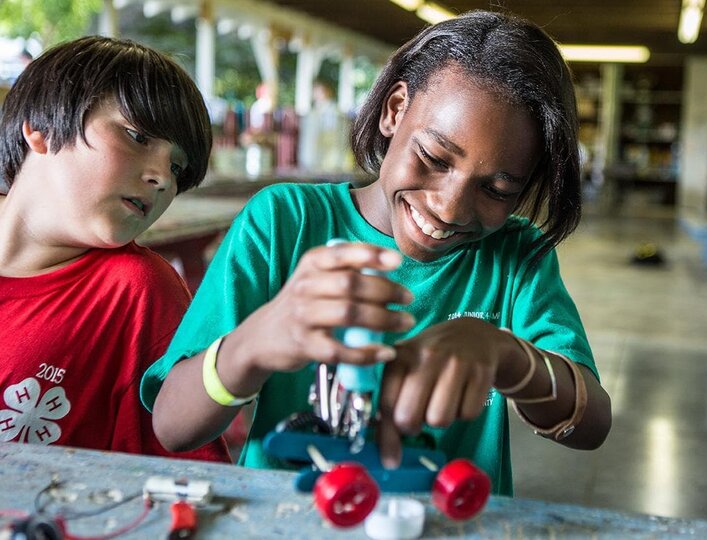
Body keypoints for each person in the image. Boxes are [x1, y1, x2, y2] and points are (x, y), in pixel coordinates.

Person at [142, 10, 612, 494]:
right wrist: (255, 343)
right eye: (433, 158)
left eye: (496, 189)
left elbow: (592, 427)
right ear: (394, 110)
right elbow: (174, 427)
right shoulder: (286, 222)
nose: (449, 208)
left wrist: (512, 359)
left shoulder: (516, 257)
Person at [0, 36, 229, 462]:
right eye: (136, 136)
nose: (163, 178)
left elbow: (190, 486)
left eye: (178, 168)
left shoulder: (138, 292)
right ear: (41, 128)